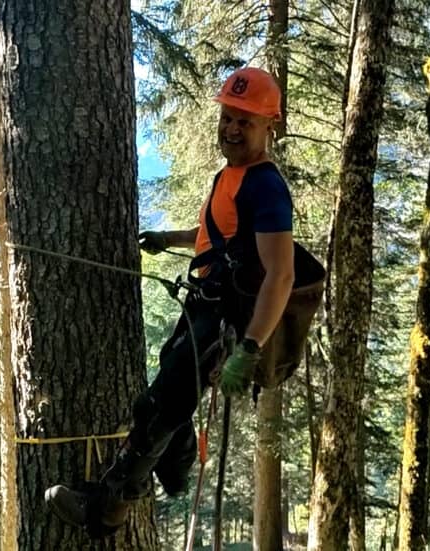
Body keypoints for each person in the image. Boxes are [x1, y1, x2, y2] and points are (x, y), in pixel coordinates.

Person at [46, 67, 297, 537]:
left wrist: (250, 347)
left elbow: (281, 274)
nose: (232, 129)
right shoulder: (231, 175)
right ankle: (176, 470)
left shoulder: (265, 186)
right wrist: (171, 238)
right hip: (203, 307)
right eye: (227, 117)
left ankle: (107, 507)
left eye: (246, 121)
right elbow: (217, 236)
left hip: (223, 321)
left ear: (270, 126)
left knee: (160, 407)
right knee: (165, 403)